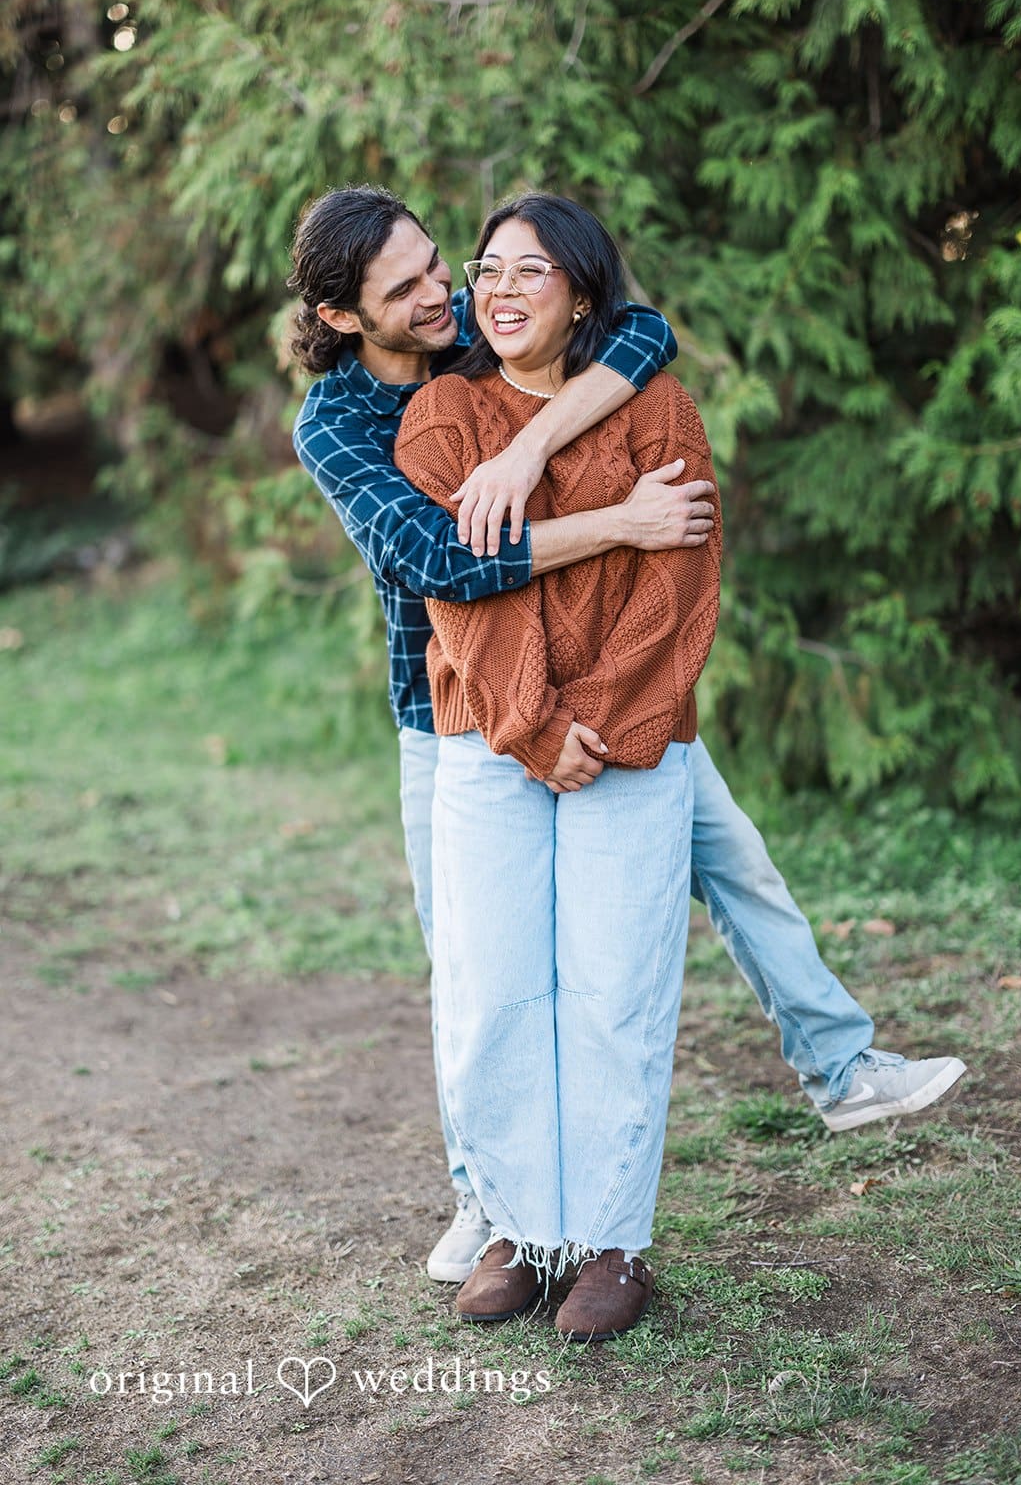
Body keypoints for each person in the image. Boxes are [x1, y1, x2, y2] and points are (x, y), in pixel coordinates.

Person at [288, 185, 966, 1290]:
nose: (442, 292)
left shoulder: (477, 332)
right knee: (474, 966)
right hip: (452, 715)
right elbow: (442, 561)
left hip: (611, 698)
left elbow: (639, 329)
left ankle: (839, 1067)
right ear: (338, 316)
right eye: (404, 288)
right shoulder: (339, 421)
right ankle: (487, 1197)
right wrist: (620, 524)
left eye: (438, 263)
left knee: (736, 863)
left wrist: (528, 450)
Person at [394, 194, 724, 1338]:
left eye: (529, 270)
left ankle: (610, 1244)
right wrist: (533, 724)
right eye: (485, 268)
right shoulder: (443, 412)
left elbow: (680, 575)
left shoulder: (656, 405)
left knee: (613, 989)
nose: (499, 289)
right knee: (489, 990)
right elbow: (458, 589)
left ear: (581, 293)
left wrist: (597, 719)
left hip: (630, 743)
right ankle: (517, 1230)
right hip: (487, 741)